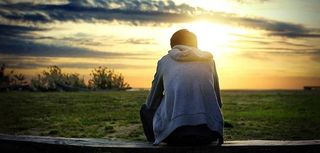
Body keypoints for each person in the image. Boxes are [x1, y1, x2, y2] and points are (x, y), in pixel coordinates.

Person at [140, 29, 223, 145]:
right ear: (196, 45)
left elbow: (152, 102)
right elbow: (218, 102)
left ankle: (153, 143)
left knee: (145, 109)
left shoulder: (164, 61)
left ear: (173, 46)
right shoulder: (209, 61)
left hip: (174, 135)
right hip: (209, 133)